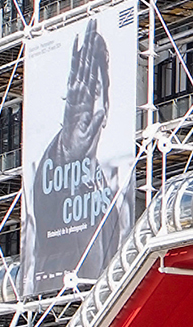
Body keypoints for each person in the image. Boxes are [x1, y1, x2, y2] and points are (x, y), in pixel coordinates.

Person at [21, 17, 131, 297]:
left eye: (94, 93)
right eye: (75, 94)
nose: (83, 107)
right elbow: (44, 207)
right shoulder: (48, 174)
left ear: (106, 105)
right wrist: (65, 156)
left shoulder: (115, 196)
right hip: (59, 303)